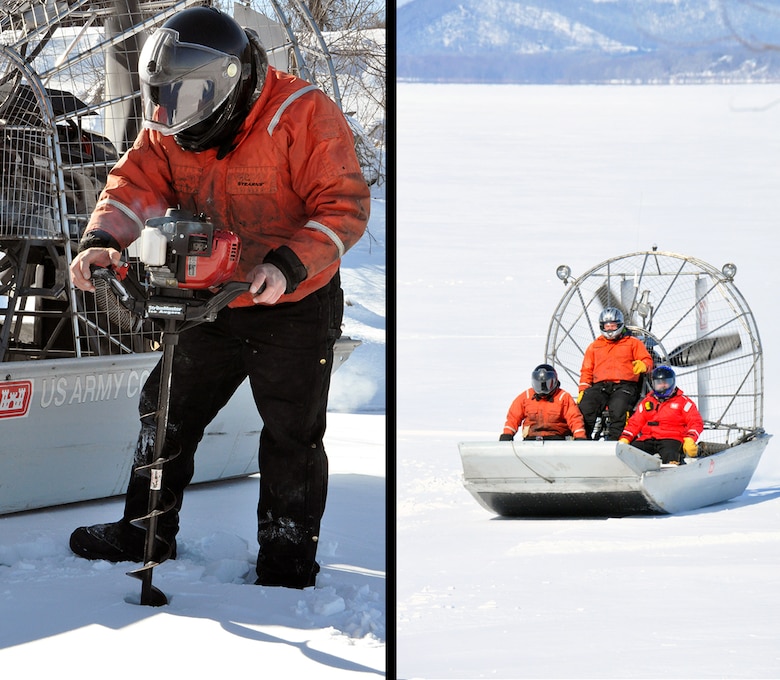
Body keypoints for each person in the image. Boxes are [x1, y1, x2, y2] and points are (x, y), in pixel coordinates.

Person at [67, 6, 370, 589]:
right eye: (165, 98)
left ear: (227, 83)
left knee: (291, 433)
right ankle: (144, 529)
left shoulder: (301, 113)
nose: (172, 113)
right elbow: (136, 183)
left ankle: (286, 563)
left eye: (185, 97)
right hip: (211, 296)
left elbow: (343, 208)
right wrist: (104, 240)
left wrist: (287, 264)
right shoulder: (171, 119)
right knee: (166, 409)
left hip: (294, 301)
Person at [576, 306, 653, 440]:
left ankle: (615, 440)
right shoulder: (595, 346)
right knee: (586, 406)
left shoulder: (632, 343)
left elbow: (647, 360)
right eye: (607, 326)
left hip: (625, 385)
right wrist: (583, 388)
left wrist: (643, 365)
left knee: (618, 408)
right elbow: (587, 369)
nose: (610, 329)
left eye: (613, 325)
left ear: (620, 325)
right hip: (600, 386)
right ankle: (582, 439)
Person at [619, 365, 704, 464]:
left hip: (672, 438)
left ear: (672, 382)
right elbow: (635, 422)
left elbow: (695, 422)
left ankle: (672, 472)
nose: (663, 386)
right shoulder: (647, 401)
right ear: (653, 384)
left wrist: (690, 438)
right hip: (648, 438)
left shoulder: (683, 402)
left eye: (666, 382)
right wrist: (625, 438)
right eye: (659, 383)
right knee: (632, 452)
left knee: (670, 454)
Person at [500, 364, 587, 441]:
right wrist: (507, 434)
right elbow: (513, 417)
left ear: (554, 382)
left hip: (557, 439)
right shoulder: (526, 397)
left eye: (546, 384)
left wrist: (579, 436)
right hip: (532, 439)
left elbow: (574, 418)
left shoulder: (563, 397)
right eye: (539, 384)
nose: (542, 389)